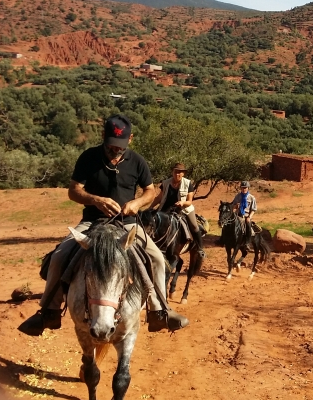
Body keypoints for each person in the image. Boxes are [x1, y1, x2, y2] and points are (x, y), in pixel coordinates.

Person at [18, 114, 189, 336]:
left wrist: (136, 204)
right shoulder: (88, 157)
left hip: (126, 224)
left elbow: (150, 191)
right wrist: (95, 200)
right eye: (110, 145)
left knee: (156, 258)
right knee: (60, 255)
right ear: (103, 136)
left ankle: (159, 311)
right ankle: (48, 311)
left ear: (131, 139)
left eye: (119, 146)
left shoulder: (137, 161)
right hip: (91, 221)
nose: (114, 150)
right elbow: (74, 190)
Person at [153, 163, 205, 258]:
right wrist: (149, 208)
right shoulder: (165, 183)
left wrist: (182, 203)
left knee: (194, 226)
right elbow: (158, 198)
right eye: (175, 172)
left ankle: (200, 248)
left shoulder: (188, 183)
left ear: (183, 174)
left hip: (184, 209)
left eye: (180, 172)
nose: (177, 174)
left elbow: (189, 201)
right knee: (153, 222)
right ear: (172, 172)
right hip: (166, 209)